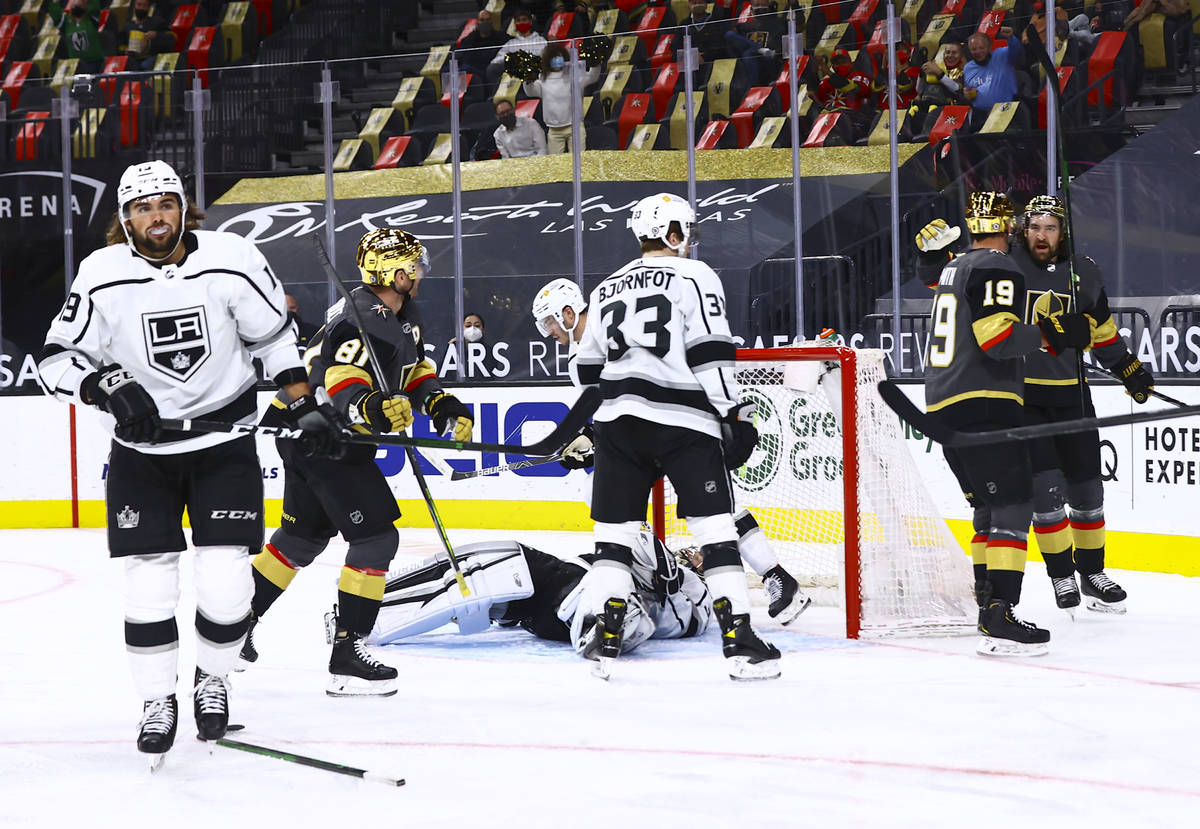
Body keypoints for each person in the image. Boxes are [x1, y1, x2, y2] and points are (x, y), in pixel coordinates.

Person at [36, 160, 344, 763]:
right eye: (142, 207)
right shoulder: (101, 275)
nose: (156, 216)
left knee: (229, 586)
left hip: (221, 446)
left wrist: (304, 404)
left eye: (166, 203)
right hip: (141, 455)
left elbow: (274, 339)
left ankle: (213, 680)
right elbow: (56, 359)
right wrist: (106, 389)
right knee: (149, 586)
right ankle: (156, 700)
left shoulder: (230, 258)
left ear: (184, 208)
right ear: (125, 219)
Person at [240, 228, 475, 697]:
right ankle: (348, 655)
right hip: (325, 438)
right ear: (394, 272)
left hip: (306, 435)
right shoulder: (362, 315)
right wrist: (369, 408)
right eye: (414, 265)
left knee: (300, 539)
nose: (421, 272)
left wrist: (441, 405)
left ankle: (230, 630)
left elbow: (412, 373)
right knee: (376, 537)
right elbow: (336, 378)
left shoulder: (399, 315)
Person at [572, 193, 781, 681]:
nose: (689, 239)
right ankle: (742, 646)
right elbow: (709, 348)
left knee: (613, 541)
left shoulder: (603, 289)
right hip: (684, 422)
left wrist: (594, 423)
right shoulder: (696, 275)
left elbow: (585, 367)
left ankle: (605, 645)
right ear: (671, 231)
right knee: (715, 533)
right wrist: (735, 413)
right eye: (685, 230)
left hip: (618, 426)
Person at [531, 275, 811, 625]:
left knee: (714, 512)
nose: (549, 333)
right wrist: (590, 439)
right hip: (644, 434)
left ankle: (776, 577)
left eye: (549, 323)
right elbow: (612, 404)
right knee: (598, 495)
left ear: (567, 312)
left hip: (682, 424)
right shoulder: (591, 345)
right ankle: (649, 569)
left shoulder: (606, 331)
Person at [922, 191, 1091, 657]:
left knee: (989, 508)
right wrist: (1053, 333)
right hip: (984, 401)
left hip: (944, 401)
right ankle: (1000, 612)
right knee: (1016, 504)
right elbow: (996, 339)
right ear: (1011, 227)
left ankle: (985, 602)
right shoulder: (999, 267)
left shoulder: (956, 266)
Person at [1010, 196, 1152, 615]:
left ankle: (1092, 574)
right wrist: (932, 266)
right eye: (1034, 226)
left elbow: (1104, 332)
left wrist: (1129, 369)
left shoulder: (1083, 272)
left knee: (1088, 491)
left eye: (1050, 228)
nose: (1041, 235)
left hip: (1072, 395)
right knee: (1046, 493)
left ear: (1062, 232)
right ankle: (1061, 576)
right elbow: (959, 285)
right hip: (1025, 398)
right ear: (1023, 229)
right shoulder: (1005, 266)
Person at [368, 527, 710, 653]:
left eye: (700, 556)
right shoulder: (668, 575)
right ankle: (364, 610)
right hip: (548, 592)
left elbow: (684, 615)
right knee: (481, 565)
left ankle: (601, 621)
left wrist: (675, 575)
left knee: (607, 589)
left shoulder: (694, 595)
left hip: (575, 595)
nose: (692, 552)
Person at [522, 42, 601, 154]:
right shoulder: (543, 79)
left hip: (575, 127)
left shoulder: (574, 75)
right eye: (554, 57)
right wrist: (527, 79)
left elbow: (592, 77)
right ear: (547, 60)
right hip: (554, 130)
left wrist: (595, 63)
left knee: (579, 160)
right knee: (557, 164)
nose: (557, 60)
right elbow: (530, 92)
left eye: (559, 56)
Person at [908, 41, 971, 135]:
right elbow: (919, 90)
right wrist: (922, 73)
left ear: (961, 55)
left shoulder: (965, 70)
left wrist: (939, 74)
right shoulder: (936, 66)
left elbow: (957, 89)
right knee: (913, 112)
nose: (950, 55)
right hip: (926, 106)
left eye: (954, 52)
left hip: (950, 112)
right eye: (947, 52)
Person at [724, 0, 787, 84]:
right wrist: (727, 8)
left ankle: (752, 89)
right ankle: (760, 49)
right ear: (751, 7)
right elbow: (726, 32)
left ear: (768, 4)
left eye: (762, 1)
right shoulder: (745, 25)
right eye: (756, 2)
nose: (759, 3)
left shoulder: (778, 22)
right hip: (749, 62)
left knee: (748, 53)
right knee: (730, 35)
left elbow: (779, 48)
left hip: (770, 62)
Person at [963, 29, 1022, 114]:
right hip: (980, 115)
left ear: (989, 47)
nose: (978, 52)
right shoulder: (968, 68)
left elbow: (1016, 49)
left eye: (981, 48)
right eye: (974, 49)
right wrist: (967, 94)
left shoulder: (1002, 55)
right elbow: (968, 90)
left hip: (1006, 111)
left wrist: (1011, 38)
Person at [489, 7, 549, 85]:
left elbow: (545, 59)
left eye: (524, 20)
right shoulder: (511, 43)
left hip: (534, 77)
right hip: (513, 79)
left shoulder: (541, 41)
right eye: (518, 21)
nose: (521, 23)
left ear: (530, 22)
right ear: (515, 24)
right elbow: (496, 61)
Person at [48, 0, 107, 74]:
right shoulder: (66, 22)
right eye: (75, 3)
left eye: (80, 2)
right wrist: (55, 2)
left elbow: (94, 6)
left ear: (85, 5)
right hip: (76, 65)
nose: (77, 3)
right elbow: (56, 15)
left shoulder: (91, 18)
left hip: (95, 62)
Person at [120, 0, 173, 71]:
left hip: (152, 57)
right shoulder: (127, 26)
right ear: (134, 6)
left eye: (145, 5)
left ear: (149, 7)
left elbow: (172, 38)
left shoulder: (157, 22)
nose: (141, 8)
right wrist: (125, 51)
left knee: (145, 65)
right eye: (139, 5)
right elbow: (120, 46)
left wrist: (157, 35)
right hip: (133, 59)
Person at [457, 8, 508, 78]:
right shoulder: (469, 39)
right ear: (477, 23)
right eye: (482, 20)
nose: (485, 22)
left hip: (493, 71)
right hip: (476, 72)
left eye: (488, 20)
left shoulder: (501, 37)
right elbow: (465, 57)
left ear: (491, 21)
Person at [681, 0, 733, 65]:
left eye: (700, 2)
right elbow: (676, 46)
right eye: (694, 3)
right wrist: (692, 55)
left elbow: (720, 46)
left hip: (713, 63)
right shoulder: (684, 24)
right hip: (689, 64)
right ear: (688, 5)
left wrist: (704, 56)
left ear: (706, 5)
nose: (697, 5)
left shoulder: (716, 22)